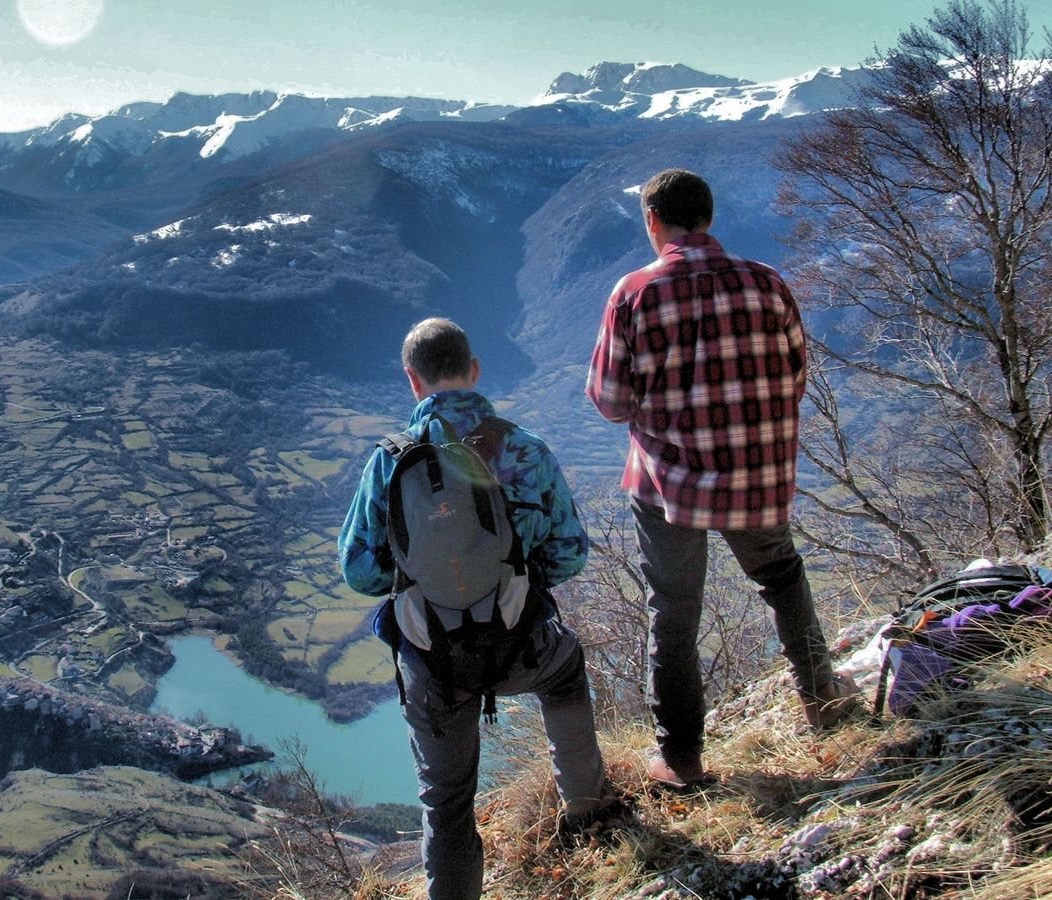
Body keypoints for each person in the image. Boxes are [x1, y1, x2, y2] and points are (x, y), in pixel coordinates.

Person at [585, 168, 859, 790]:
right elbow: (795, 376)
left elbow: (609, 400)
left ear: (653, 221)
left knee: (673, 610)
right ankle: (822, 698)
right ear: (709, 218)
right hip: (757, 473)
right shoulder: (768, 283)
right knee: (781, 577)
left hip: (669, 482)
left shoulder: (634, 293)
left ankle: (681, 759)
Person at [340, 317, 611, 900]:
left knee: (446, 801)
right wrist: (513, 577)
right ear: (475, 370)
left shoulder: (389, 463)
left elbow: (359, 570)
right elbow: (570, 553)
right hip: (522, 643)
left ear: (412, 380)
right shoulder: (525, 448)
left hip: (434, 658)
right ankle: (589, 816)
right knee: (565, 670)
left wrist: (428, 574)